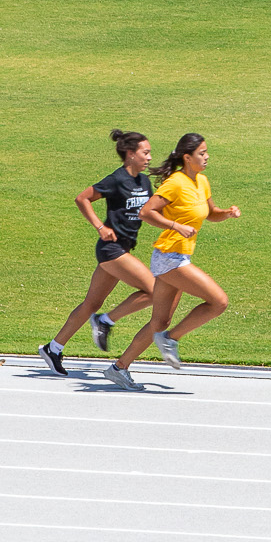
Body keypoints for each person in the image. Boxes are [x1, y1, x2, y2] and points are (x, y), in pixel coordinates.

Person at [107, 132, 239, 387]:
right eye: (202, 153)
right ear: (187, 158)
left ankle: (119, 367)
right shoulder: (175, 183)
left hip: (177, 256)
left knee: (159, 321)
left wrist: (227, 214)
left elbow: (210, 213)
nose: (207, 156)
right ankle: (172, 338)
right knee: (219, 301)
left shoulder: (202, 181)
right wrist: (175, 226)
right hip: (170, 258)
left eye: (206, 151)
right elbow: (146, 212)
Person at [38, 130, 160, 375]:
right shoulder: (116, 179)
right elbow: (82, 198)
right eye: (144, 152)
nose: (148, 157)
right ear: (130, 154)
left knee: (91, 302)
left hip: (123, 248)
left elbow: (151, 211)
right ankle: (106, 320)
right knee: (156, 291)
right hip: (111, 249)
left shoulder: (144, 182)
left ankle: (54, 348)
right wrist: (100, 226)